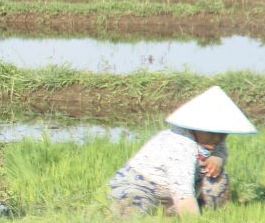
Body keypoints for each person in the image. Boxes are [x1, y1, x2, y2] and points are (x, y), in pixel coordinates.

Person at [108, 86, 256, 215]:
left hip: (176, 191)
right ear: (195, 127)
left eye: (223, 134)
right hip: (142, 186)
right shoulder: (179, 145)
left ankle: (207, 212)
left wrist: (218, 158)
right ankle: (174, 213)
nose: (217, 138)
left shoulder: (213, 141)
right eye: (212, 133)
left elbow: (221, 150)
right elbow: (183, 192)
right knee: (134, 208)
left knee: (218, 174)